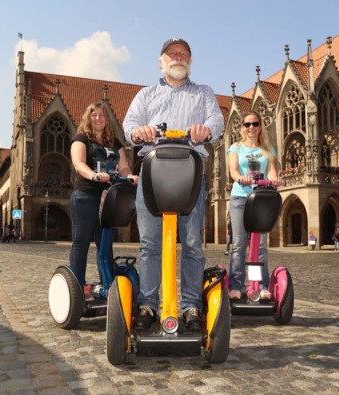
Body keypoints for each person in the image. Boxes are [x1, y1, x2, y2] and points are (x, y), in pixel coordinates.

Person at [123, 37, 224, 331]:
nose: (178, 57)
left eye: (183, 54)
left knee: (192, 244)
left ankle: (191, 305)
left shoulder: (203, 93)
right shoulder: (146, 95)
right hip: (153, 172)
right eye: (172, 53)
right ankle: (148, 306)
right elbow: (129, 127)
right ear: (161, 60)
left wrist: (206, 129)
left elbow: (216, 123)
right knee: (150, 244)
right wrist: (139, 132)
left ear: (189, 61)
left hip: (190, 171)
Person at [70, 101, 138, 300]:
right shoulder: (81, 139)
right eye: (94, 115)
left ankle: (108, 287)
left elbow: (123, 167)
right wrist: (94, 175)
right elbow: (78, 163)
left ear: (107, 119)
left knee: (106, 245)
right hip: (86, 195)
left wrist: (130, 176)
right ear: (88, 118)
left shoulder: (114, 143)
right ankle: (77, 287)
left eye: (102, 115)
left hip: (109, 198)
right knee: (81, 242)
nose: (98, 118)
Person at [226, 111, 278, 300]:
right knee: (239, 243)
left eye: (255, 124)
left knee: (261, 246)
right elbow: (233, 170)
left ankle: (261, 285)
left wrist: (274, 180)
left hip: (261, 199)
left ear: (260, 126)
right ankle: (236, 286)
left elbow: (271, 171)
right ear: (242, 127)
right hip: (240, 198)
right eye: (247, 124)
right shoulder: (235, 148)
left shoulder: (267, 149)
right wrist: (241, 178)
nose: (251, 128)